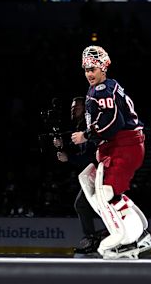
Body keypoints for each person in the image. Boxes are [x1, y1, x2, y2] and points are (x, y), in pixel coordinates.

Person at [71, 45, 151, 259]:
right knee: (110, 194)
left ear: (103, 69)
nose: (89, 73)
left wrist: (86, 136)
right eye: (86, 69)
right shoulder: (101, 88)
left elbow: (114, 122)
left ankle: (128, 239)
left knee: (107, 193)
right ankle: (139, 235)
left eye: (93, 69)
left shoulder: (103, 90)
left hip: (125, 146)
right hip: (121, 147)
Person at [53, 97, 107, 257]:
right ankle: (95, 238)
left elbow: (89, 155)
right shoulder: (79, 126)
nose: (73, 110)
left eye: (76, 107)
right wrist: (63, 140)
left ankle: (95, 238)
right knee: (88, 205)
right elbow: (74, 139)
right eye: (72, 107)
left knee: (84, 205)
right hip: (94, 172)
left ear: (84, 108)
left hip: (100, 171)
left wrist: (68, 158)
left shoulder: (88, 127)